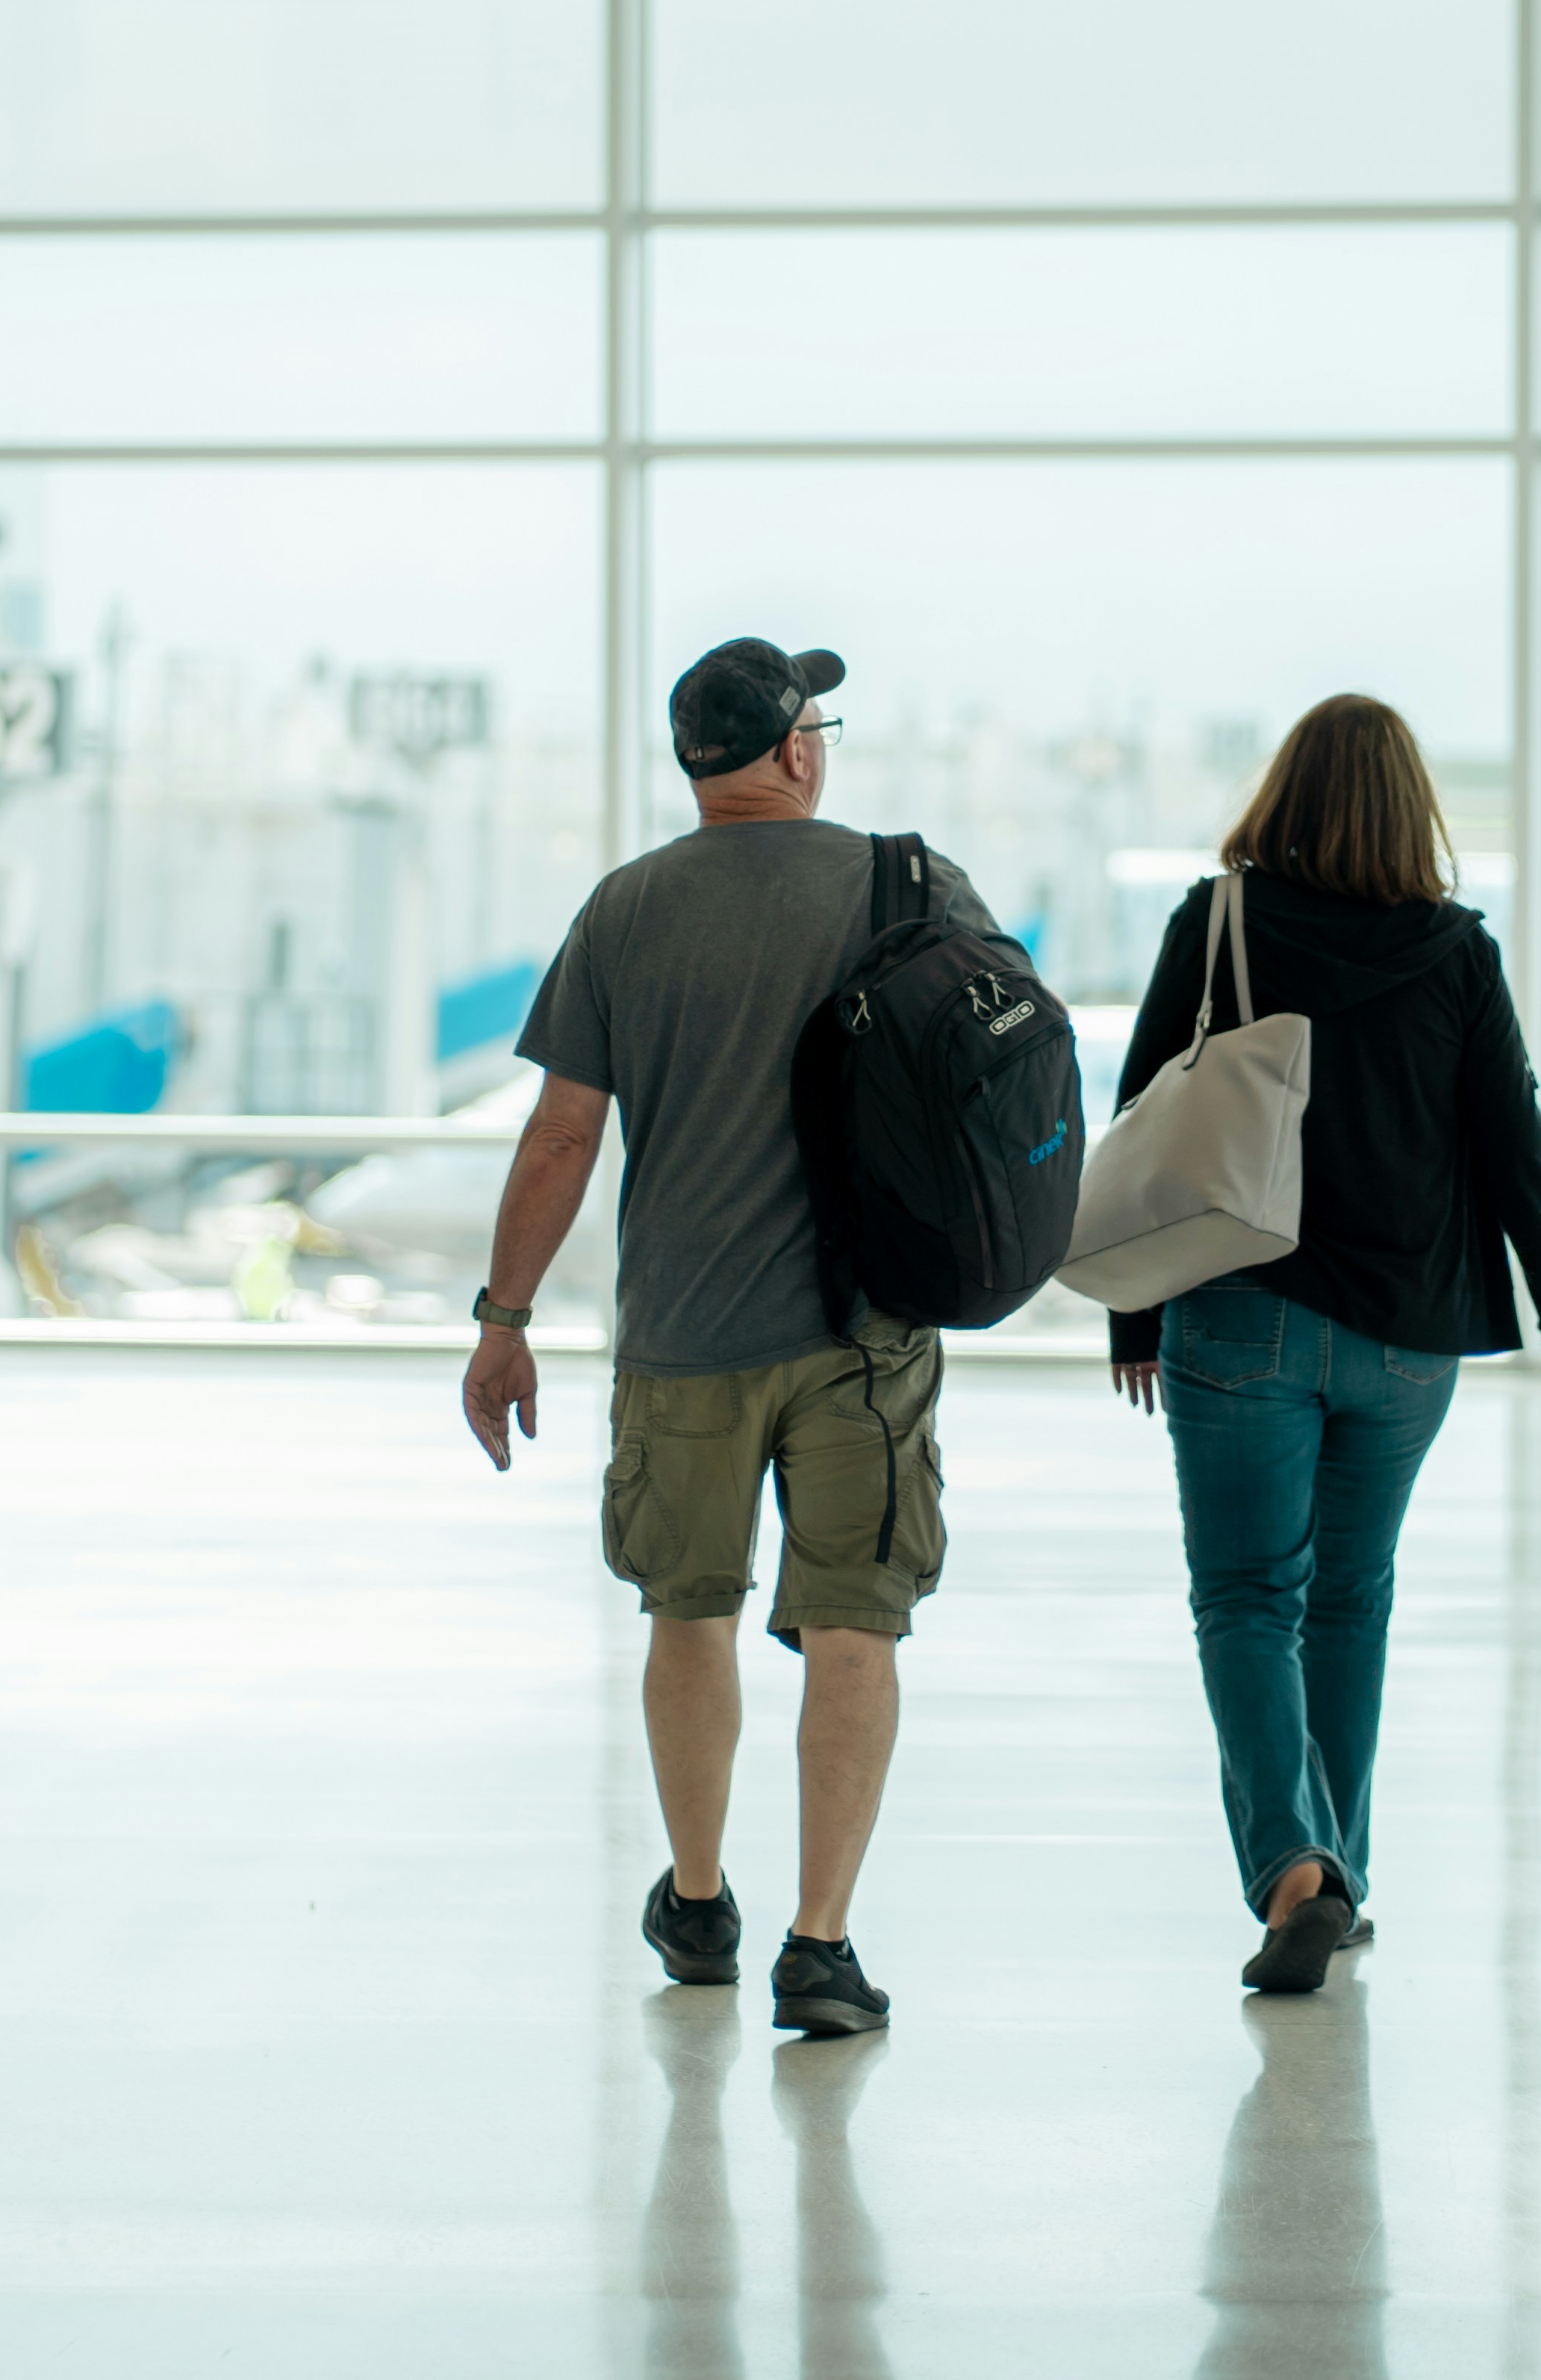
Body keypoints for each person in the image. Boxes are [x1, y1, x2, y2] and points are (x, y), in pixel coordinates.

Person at [463, 636, 1013, 2039]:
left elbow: (563, 1132)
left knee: (685, 1611)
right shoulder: (907, 883)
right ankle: (818, 1944)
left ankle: (699, 1901)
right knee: (853, 1625)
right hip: (864, 1331)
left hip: (683, 1336)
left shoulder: (626, 910)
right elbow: (1003, 1057)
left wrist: (504, 1321)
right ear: (794, 751)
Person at [1108, 693, 1541, 1994]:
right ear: (1409, 808)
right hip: (1407, 1339)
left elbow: (1143, 1122)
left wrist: (1130, 1307)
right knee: (1349, 1596)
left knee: (1245, 1599)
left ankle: (1295, 1869)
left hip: (1239, 1312)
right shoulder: (1453, 952)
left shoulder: (1218, 920)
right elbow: (1516, 1145)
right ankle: (1337, 1869)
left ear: (1281, 791)